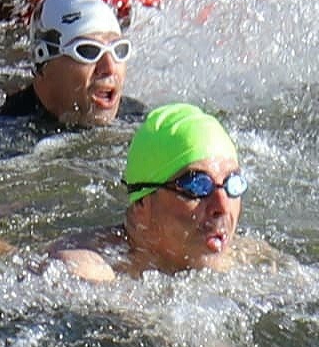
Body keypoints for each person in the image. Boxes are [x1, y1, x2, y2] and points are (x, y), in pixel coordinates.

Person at [59, 104, 257, 281]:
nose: (222, 206)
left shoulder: (251, 259)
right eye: (197, 185)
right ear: (141, 203)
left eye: (233, 184)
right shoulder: (85, 269)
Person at [0, 0, 131, 153]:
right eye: (88, 51)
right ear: (42, 64)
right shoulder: (1, 142)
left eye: (119, 50)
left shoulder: (135, 118)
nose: (109, 68)